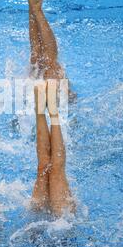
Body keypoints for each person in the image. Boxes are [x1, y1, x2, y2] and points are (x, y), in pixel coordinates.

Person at [21, 0, 76, 102]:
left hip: (39, 102)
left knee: (37, 59)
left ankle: (33, 6)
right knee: (46, 64)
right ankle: (35, 8)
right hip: (56, 102)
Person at [31, 80, 75, 216]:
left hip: (38, 221)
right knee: (56, 171)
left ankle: (43, 112)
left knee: (44, 168)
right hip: (58, 224)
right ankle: (51, 111)